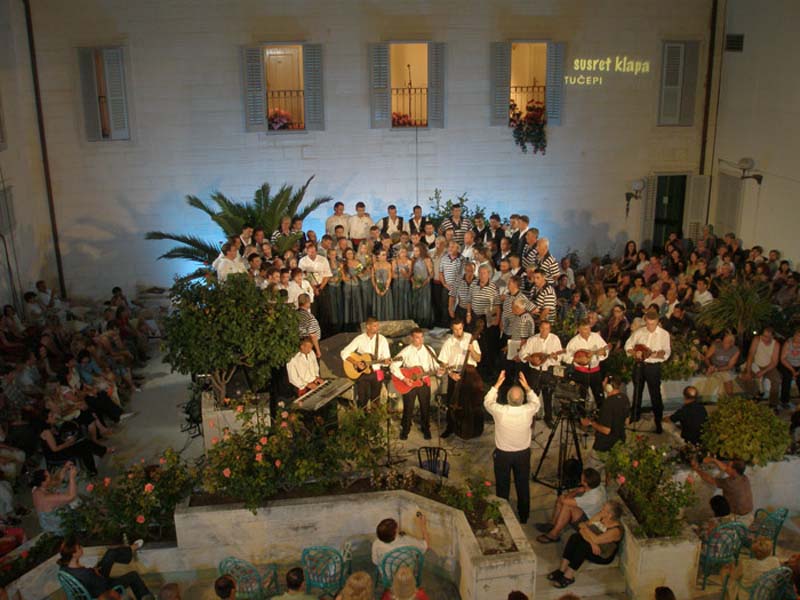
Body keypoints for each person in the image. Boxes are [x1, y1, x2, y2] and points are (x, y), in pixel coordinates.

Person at [484, 370, 540, 524]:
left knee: (502, 486)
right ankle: (524, 516)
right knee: (523, 485)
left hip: (503, 455)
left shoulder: (500, 411)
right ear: (522, 400)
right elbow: (536, 402)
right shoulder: (528, 410)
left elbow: (487, 401)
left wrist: (497, 384)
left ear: (507, 399)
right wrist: (527, 387)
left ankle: (503, 516)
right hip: (522, 454)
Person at [547, 501, 624, 589]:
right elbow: (581, 526)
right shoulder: (600, 516)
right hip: (594, 545)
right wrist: (591, 542)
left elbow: (595, 538)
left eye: (603, 510)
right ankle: (561, 570)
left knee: (583, 546)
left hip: (603, 554)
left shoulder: (615, 531)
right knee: (574, 537)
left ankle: (568, 576)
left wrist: (586, 529)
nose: (601, 510)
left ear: (609, 515)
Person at [59, 536, 151, 600]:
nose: (81, 548)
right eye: (79, 548)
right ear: (74, 554)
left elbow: (86, 577)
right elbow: (102, 585)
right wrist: (96, 574)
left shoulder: (64, 568)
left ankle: (131, 548)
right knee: (133, 576)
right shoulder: (85, 573)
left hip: (93, 581)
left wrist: (93, 571)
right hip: (102, 590)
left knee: (110, 554)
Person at [624, 308, 671, 432]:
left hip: (653, 367)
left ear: (657, 321)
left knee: (655, 394)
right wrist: (635, 353)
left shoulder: (664, 334)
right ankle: (635, 415)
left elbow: (666, 352)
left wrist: (654, 355)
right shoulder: (639, 332)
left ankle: (658, 419)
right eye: (648, 324)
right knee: (637, 391)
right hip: (639, 365)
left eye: (653, 324)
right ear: (645, 321)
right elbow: (628, 345)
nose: (650, 326)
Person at [437, 317, 483, 439]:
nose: (458, 332)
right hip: (455, 373)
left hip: (469, 372)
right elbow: (443, 363)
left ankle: (472, 427)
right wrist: (450, 373)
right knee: (452, 402)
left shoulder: (471, 339)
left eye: (460, 329)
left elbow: (478, 358)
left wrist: (472, 350)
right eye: (456, 329)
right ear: (452, 329)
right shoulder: (449, 342)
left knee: (471, 402)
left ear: (463, 327)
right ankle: (450, 427)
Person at [390, 328, 439, 440]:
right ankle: (405, 429)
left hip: (424, 381)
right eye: (417, 337)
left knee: (425, 407)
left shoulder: (429, 349)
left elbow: (435, 366)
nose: (420, 340)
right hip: (410, 383)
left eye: (422, 337)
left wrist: (439, 370)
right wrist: (404, 379)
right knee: (408, 407)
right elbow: (393, 366)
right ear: (412, 338)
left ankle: (425, 428)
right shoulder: (406, 351)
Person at [535, 468, 606, 543]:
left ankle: (554, 534)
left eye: (582, 477)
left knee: (567, 505)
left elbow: (565, 500)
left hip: (589, 523)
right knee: (563, 500)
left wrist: (576, 491)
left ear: (585, 483)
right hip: (591, 513)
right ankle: (552, 524)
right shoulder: (600, 487)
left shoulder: (591, 498)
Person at [519, 320, 562, 426]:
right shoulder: (533, 339)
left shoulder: (555, 339)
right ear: (539, 328)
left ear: (550, 329)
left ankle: (548, 418)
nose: (544, 331)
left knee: (548, 395)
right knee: (532, 395)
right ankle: (530, 419)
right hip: (534, 371)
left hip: (548, 371)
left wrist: (555, 356)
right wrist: (531, 359)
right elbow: (522, 353)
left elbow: (560, 356)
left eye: (547, 329)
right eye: (542, 328)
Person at [340, 317, 391, 406]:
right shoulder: (360, 339)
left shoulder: (382, 339)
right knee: (362, 399)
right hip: (363, 374)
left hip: (376, 372)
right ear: (368, 326)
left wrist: (386, 361)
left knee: (375, 399)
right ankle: (362, 417)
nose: (377, 327)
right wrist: (355, 362)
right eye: (375, 326)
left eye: (377, 325)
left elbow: (386, 357)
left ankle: (374, 418)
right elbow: (344, 352)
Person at [580, 376, 629, 463]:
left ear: (609, 387)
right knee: (610, 469)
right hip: (619, 442)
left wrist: (591, 423)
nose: (602, 384)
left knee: (592, 470)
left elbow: (606, 430)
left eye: (604, 382)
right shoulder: (625, 398)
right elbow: (627, 421)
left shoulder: (608, 403)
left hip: (604, 445)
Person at [691, 457, 754, 523]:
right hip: (749, 515)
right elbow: (726, 469)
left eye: (729, 466)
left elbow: (710, 479)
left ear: (734, 470)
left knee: (716, 501)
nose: (726, 467)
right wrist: (713, 460)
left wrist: (696, 469)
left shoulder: (730, 483)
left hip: (739, 518)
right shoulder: (744, 477)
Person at [564, 319, 609, 408]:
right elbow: (565, 357)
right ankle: (581, 419)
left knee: (599, 396)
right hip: (580, 372)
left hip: (595, 371)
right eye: (584, 329)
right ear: (579, 330)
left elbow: (606, 348)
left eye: (589, 329)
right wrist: (577, 360)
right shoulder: (574, 341)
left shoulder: (596, 337)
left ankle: (600, 417)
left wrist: (603, 353)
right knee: (581, 397)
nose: (588, 331)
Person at [738, 327, 781, 407]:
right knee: (744, 377)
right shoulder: (757, 340)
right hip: (756, 365)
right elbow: (751, 355)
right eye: (763, 336)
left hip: (768, 367)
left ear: (772, 337)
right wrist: (748, 371)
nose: (764, 338)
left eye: (767, 337)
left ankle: (773, 404)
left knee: (777, 380)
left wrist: (763, 372)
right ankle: (757, 394)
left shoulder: (776, 345)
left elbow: (774, 362)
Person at [31, 464, 77, 534]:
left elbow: (57, 481)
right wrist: (72, 477)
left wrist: (65, 468)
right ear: (43, 481)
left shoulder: (36, 489)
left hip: (47, 521)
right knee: (76, 504)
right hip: (55, 527)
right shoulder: (46, 498)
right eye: (49, 476)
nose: (51, 477)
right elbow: (71, 496)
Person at [703, 331, 740, 397]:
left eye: (726, 343)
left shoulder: (735, 350)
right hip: (713, 367)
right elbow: (706, 358)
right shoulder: (715, 346)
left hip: (725, 369)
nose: (724, 344)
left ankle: (730, 398)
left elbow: (729, 366)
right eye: (724, 341)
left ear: (731, 343)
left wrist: (717, 369)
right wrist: (710, 366)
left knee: (727, 377)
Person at [780, 328, 800, 408]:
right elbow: (783, 359)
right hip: (787, 364)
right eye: (798, 336)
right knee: (787, 377)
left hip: (798, 365)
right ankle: (784, 401)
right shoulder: (788, 343)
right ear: (794, 335)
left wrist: (798, 372)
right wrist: (793, 371)